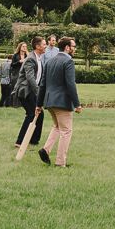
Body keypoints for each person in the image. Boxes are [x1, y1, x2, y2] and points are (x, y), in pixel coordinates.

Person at [35, 37, 83, 167]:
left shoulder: (49, 62)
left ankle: (45, 150)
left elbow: (42, 85)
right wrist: (77, 104)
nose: (75, 48)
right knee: (66, 131)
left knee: (57, 127)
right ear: (67, 48)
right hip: (62, 102)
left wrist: (39, 104)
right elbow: (70, 84)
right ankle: (60, 162)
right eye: (73, 46)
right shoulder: (68, 61)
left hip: (49, 101)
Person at [12, 36, 46, 148]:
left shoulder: (39, 58)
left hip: (32, 90)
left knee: (39, 114)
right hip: (25, 91)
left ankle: (33, 141)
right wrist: (38, 93)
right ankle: (19, 142)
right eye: (44, 44)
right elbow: (30, 78)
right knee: (31, 114)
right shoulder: (31, 58)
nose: (45, 46)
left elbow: (39, 77)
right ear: (37, 46)